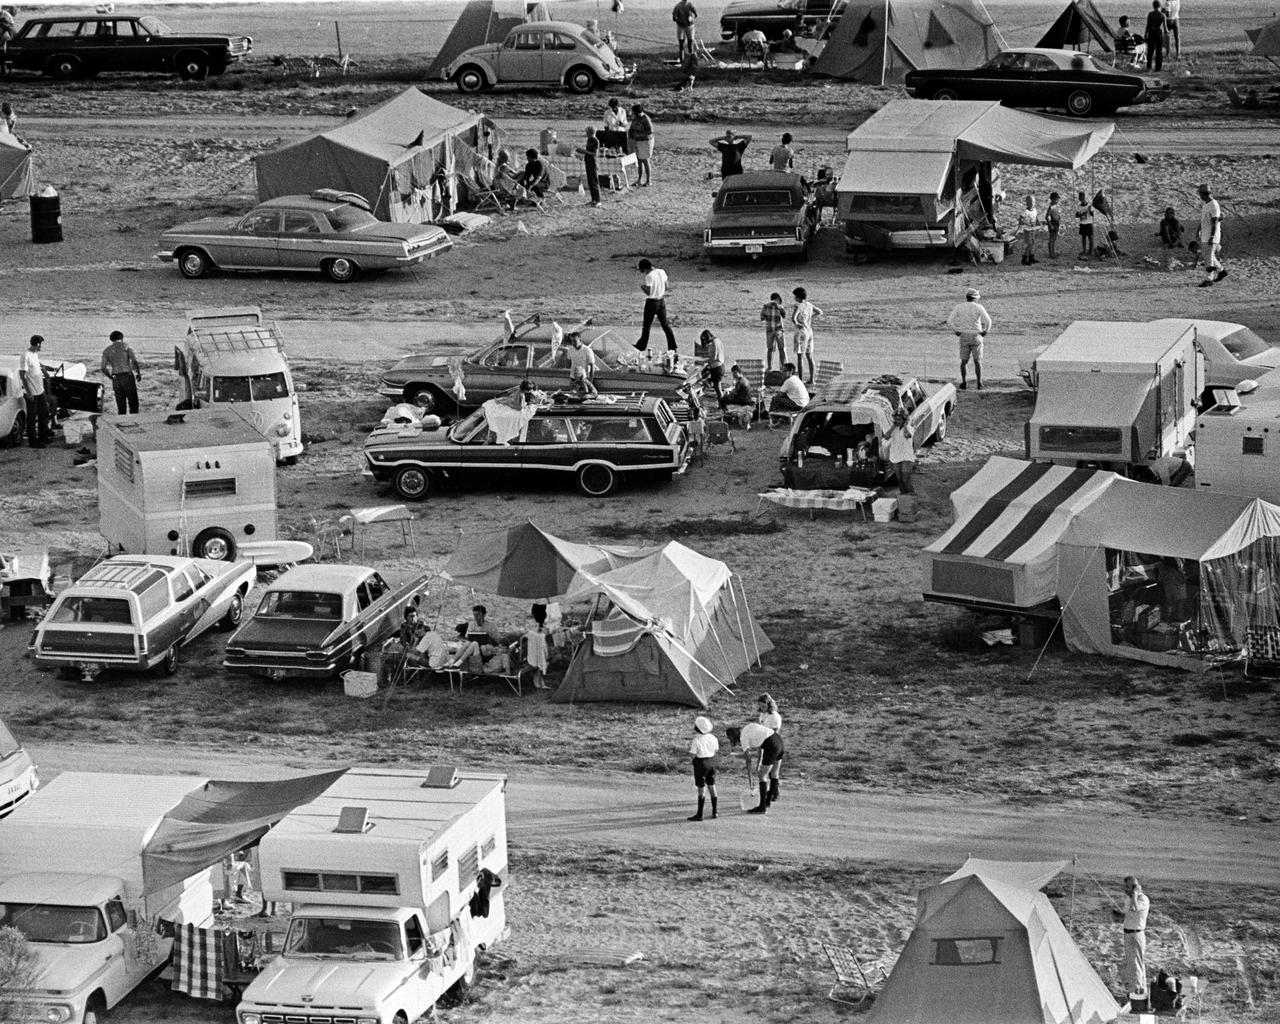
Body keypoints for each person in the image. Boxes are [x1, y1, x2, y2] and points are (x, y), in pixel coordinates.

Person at [725, 721, 784, 813]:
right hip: (779, 741)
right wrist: (758, 764)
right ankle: (769, 801)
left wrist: (751, 782)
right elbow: (761, 747)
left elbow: (748, 761)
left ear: (733, 737)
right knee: (774, 773)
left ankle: (762, 807)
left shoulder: (743, 738)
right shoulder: (748, 727)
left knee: (762, 776)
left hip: (771, 745)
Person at [946, 287, 992, 391]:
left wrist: (956, 330)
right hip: (976, 335)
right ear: (975, 298)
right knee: (978, 361)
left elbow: (949, 321)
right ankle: (979, 383)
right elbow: (988, 321)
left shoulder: (959, 307)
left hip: (964, 335)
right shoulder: (978, 307)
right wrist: (985, 331)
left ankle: (964, 382)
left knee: (964, 361)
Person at [1115, 876, 1151, 997]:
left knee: (1136, 965)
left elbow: (1134, 908)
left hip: (1136, 935)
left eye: (1128, 887)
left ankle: (1137, 993)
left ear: (1135, 887)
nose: (1125, 889)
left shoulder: (1142, 899)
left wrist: (1135, 893)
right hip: (1128, 934)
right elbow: (1127, 912)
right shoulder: (1129, 898)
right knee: (1132, 964)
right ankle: (1138, 990)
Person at [634, 258, 678, 354]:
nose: (643, 272)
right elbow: (666, 286)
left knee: (647, 326)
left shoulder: (649, 276)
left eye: (642, 270)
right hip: (661, 301)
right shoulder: (661, 271)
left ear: (645, 268)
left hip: (651, 302)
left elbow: (649, 292)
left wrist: (642, 288)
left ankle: (641, 346)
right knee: (665, 325)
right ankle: (672, 347)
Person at [19, 334, 51, 449]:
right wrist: (28, 392)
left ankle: (43, 436)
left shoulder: (35, 354)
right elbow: (22, 375)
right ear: (37, 344)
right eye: (40, 344)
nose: (41, 346)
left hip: (40, 390)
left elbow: (37, 366)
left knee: (44, 413)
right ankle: (33, 441)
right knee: (32, 417)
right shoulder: (25, 355)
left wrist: (45, 369)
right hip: (32, 391)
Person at [101, 329, 142, 414]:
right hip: (127, 375)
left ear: (111, 339)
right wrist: (138, 373)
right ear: (122, 338)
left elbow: (103, 368)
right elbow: (134, 361)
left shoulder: (107, 351)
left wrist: (110, 377)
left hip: (116, 377)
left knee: (121, 404)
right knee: (133, 402)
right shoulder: (126, 347)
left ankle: (122, 422)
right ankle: (134, 421)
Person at [686, 715, 719, 821]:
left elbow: (692, 754)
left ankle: (700, 814)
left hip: (701, 764)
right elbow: (716, 750)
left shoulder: (696, 740)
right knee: (712, 785)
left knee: (701, 788)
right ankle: (715, 811)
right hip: (711, 762)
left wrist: (693, 762)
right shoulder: (713, 737)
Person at [1197, 182, 1227, 287]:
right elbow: (1204, 220)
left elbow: (1215, 221)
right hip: (1205, 234)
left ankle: (1209, 278)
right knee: (1209, 256)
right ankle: (1221, 271)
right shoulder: (1207, 204)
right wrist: (1199, 230)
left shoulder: (1213, 205)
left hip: (1210, 235)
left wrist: (1212, 236)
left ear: (1203, 194)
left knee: (1208, 258)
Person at [791, 286, 822, 385]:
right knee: (809, 356)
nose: (794, 298)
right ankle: (812, 380)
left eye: (795, 296)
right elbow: (819, 312)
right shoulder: (809, 305)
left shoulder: (799, 305)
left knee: (800, 357)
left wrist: (798, 323)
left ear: (798, 297)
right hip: (809, 331)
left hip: (801, 332)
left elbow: (793, 318)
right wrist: (809, 319)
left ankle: (800, 380)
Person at [885, 408, 916, 494]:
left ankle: (911, 498)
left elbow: (907, 435)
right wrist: (893, 426)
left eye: (899, 419)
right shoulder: (894, 428)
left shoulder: (909, 427)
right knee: (899, 480)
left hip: (906, 456)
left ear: (904, 419)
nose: (897, 421)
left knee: (906, 479)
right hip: (896, 455)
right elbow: (886, 436)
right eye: (895, 419)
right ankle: (904, 497)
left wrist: (905, 425)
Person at [575, 126, 602, 207]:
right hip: (588, 162)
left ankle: (598, 200)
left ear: (591, 132)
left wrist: (584, 151)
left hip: (593, 163)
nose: (586, 134)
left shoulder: (595, 141)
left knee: (594, 182)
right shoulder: (589, 140)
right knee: (590, 182)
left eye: (587, 132)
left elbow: (594, 154)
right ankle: (593, 200)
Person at [566, 331, 598, 396]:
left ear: (580, 340)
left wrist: (590, 380)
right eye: (571, 341)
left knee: (585, 395)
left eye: (575, 341)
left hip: (584, 378)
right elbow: (568, 363)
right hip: (573, 377)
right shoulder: (570, 350)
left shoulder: (587, 350)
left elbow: (592, 366)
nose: (573, 343)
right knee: (574, 396)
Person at [760, 292, 787, 370]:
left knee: (770, 349)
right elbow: (784, 315)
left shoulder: (765, 306)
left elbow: (762, 318)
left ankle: (769, 367)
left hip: (769, 330)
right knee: (781, 348)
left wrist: (768, 316)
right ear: (778, 299)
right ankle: (782, 367)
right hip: (779, 329)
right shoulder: (780, 306)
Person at [628, 104, 653, 186]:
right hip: (637, 141)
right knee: (639, 160)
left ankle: (648, 180)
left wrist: (638, 133)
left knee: (645, 160)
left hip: (645, 141)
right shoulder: (635, 118)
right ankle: (639, 180)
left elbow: (649, 131)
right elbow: (631, 128)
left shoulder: (645, 118)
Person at [700, 329, 725, 401]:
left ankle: (722, 406)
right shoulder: (718, 340)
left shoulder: (714, 343)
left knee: (718, 389)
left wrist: (705, 361)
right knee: (717, 388)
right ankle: (721, 405)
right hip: (719, 365)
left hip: (717, 368)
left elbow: (714, 356)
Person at [1016, 194, 1040, 265]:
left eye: (1033, 202)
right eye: (1029, 202)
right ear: (1027, 203)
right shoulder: (1025, 212)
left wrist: (1038, 223)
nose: (1031, 203)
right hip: (1027, 230)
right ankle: (1024, 258)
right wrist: (1027, 223)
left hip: (1033, 229)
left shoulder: (1035, 210)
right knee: (1029, 244)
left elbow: (1036, 217)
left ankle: (1031, 257)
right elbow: (1020, 220)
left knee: (1033, 243)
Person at [1145, 0, 1166, 71]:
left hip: (1151, 32)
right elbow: (1165, 28)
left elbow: (1147, 25)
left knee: (1150, 51)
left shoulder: (1150, 14)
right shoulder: (1162, 15)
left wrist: (1145, 34)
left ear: (1153, 6)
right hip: (1159, 33)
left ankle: (1149, 67)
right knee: (1159, 51)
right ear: (1160, 6)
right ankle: (1158, 68)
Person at [1075, 190, 1095, 260]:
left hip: (1089, 223)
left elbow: (1092, 215)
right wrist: (1081, 214)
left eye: (1082, 197)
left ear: (1084, 197)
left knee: (1090, 238)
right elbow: (1076, 215)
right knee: (1083, 238)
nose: (1081, 198)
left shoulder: (1089, 205)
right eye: (1080, 197)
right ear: (1079, 198)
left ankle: (1091, 251)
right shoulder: (1079, 206)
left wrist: (1090, 210)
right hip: (1082, 223)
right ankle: (1084, 250)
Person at [1045, 191, 1063, 259]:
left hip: (1056, 223)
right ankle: (1051, 254)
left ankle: (1053, 252)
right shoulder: (1051, 207)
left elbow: (1057, 214)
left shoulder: (1055, 206)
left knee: (1054, 238)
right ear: (1052, 199)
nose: (1057, 200)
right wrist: (1050, 225)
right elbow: (1047, 216)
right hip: (1053, 223)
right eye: (1056, 199)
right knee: (1051, 239)